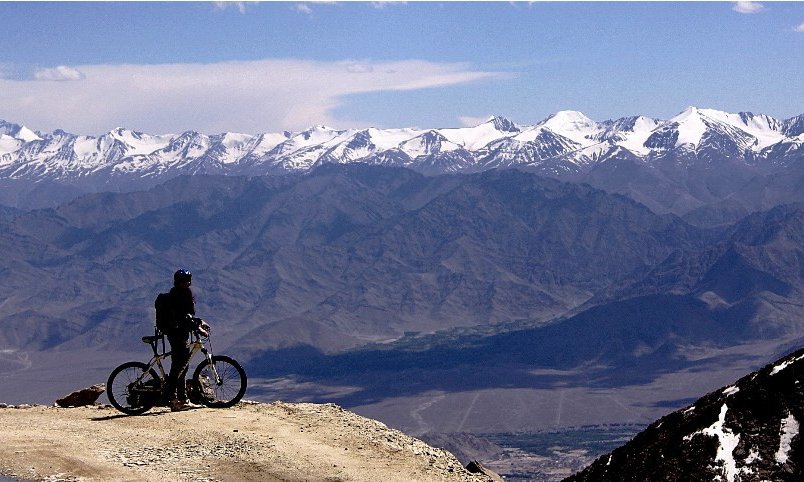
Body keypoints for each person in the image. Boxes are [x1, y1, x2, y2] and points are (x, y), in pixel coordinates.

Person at [164, 269, 208, 412]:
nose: (187, 283)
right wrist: (198, 329)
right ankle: (172, 397)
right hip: (176, 334)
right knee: (179, 365)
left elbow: (188, 316)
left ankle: (182, 399)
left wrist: (199, 322)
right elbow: (182, 318)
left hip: (182, 333)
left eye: (188, 280)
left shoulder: (185, 293)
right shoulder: (176, 295)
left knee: (183, 366)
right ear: (178, 281)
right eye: (184, 281)